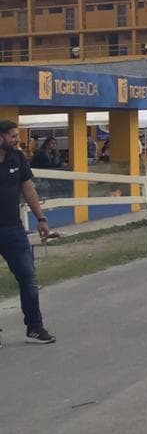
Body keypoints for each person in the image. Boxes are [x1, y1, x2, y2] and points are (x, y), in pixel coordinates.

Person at [0, 120, 55, 344]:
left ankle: (34, 327)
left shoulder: (18, 157)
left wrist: (40, 218)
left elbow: (28, 188)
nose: (17, 140)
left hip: (13, 229)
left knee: (28, 276)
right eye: (13, 136)